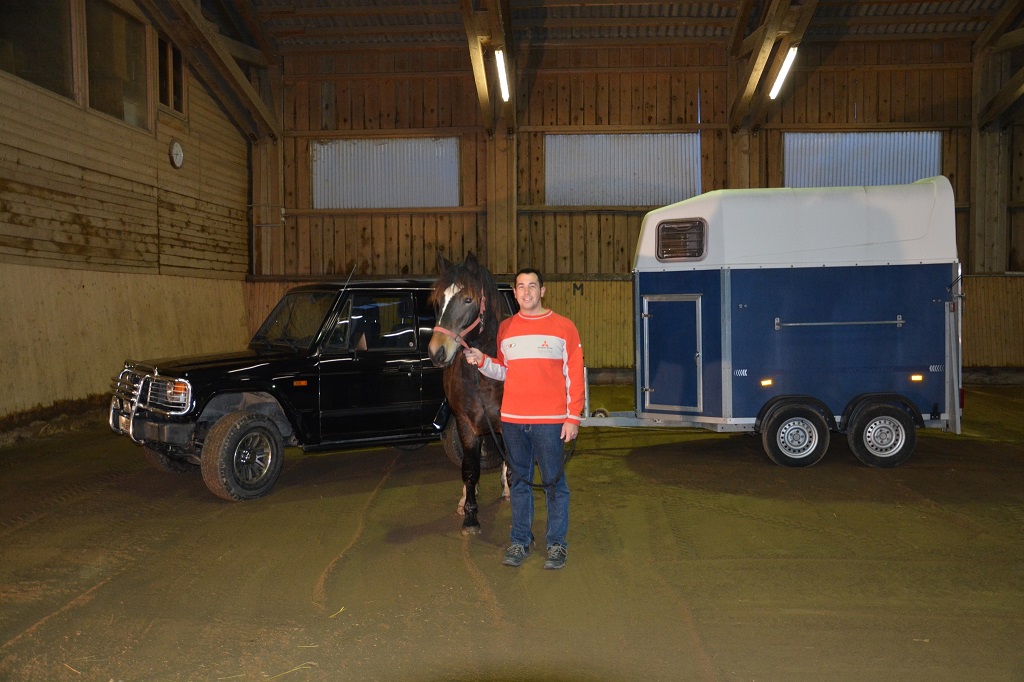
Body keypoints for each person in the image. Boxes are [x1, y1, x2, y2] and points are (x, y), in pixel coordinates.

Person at [463, 268, 585, 570]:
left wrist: (573, 417)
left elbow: (574, 374)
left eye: (532, 286)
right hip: (514, 422)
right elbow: (504, 370)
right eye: (521, 286)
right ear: (515, 293)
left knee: (554, 484)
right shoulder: (506, 328)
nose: (526, 292)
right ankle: (520, 540)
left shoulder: (564, 327)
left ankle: (556, 544)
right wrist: (482, 361)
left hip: (551, 422)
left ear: (542, 291)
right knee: (518, 483)